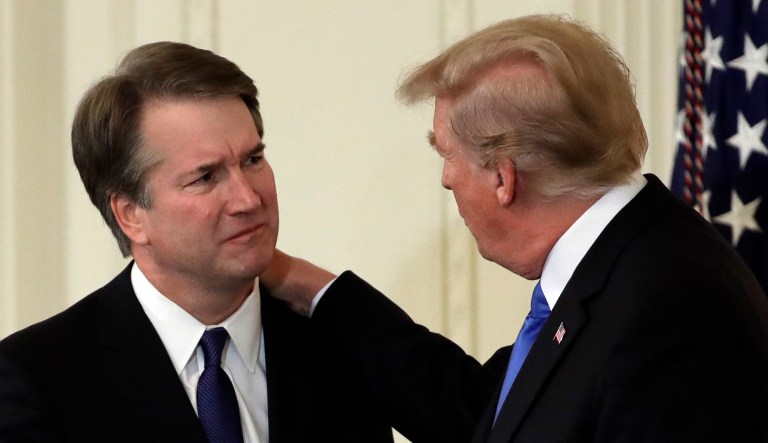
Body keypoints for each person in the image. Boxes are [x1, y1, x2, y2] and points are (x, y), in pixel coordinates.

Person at [262, 14, 768, 442]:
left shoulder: (666, 307)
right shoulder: (624, 258)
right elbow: (493, 413)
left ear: (504, 178)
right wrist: (310, 287)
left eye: (445, 154)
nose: (445, 179)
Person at [0, 42, 393, 443]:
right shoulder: (38, 378)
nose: (248, 199)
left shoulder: (337, 347)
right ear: (131, 214)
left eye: (252, 160)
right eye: (204, 177)